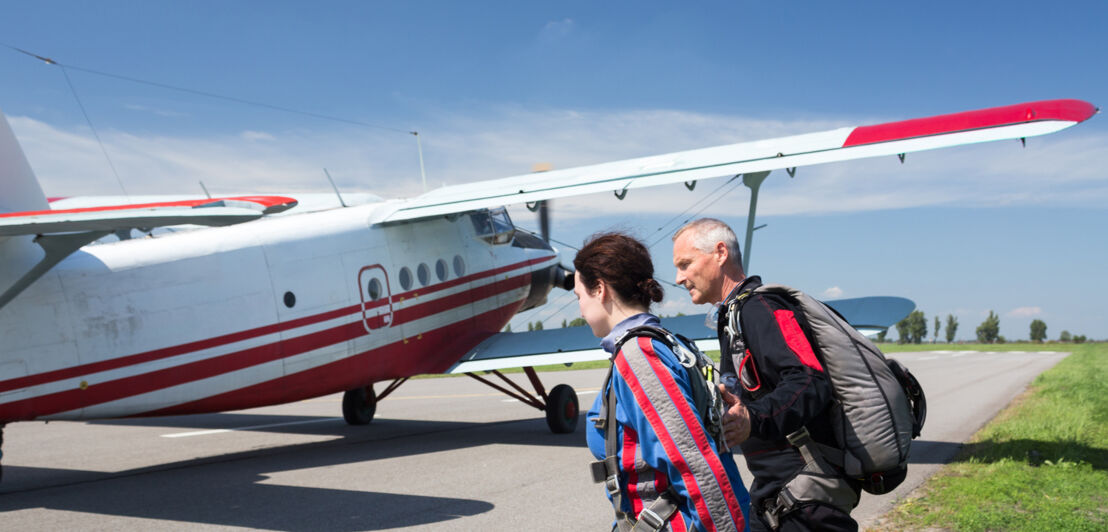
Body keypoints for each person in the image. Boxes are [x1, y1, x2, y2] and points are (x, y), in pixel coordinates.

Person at [671, 219, 860, 532]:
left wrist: (752, 418)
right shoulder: (735, 314)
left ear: (720, 253)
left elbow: (810, 381)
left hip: (807, 499)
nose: (679, 278)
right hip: (776, 496)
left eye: (685, 264)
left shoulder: (760, 308)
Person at [575, 232, 750, 532]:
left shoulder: (639, 354)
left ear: (600, 289)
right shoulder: (664, 344)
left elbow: (695, 466)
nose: (580, 309)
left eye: (579, 296)